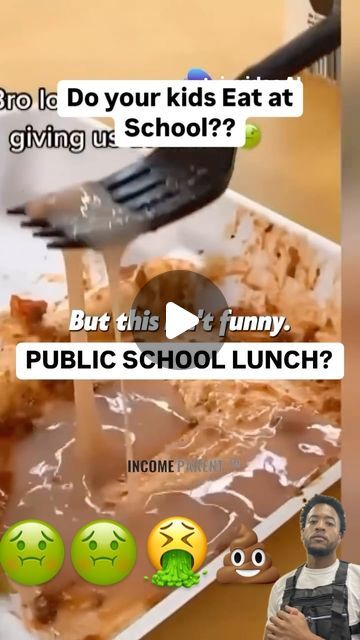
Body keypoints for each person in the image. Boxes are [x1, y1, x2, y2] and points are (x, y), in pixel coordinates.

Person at [264, 494, 360, 639]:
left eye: (329, 523)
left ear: (340, 536)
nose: (320, 527)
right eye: (313, 521)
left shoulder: (357, 578)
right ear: (302, 533)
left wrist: (303, 636)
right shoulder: (281, 587)